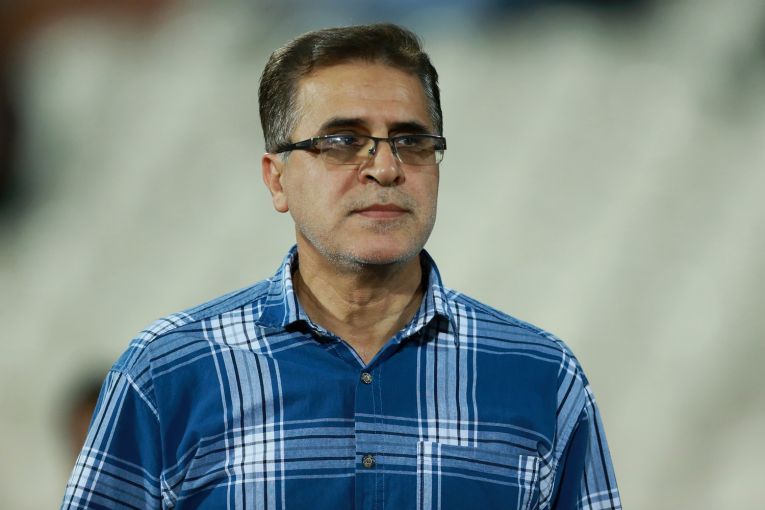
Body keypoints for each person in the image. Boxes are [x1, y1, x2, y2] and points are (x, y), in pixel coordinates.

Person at [61, 23, 621, 510]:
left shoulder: (542, 378)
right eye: (343, 140)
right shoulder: (165, 375)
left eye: (411, 140)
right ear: (276, 178)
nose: (386, 167)